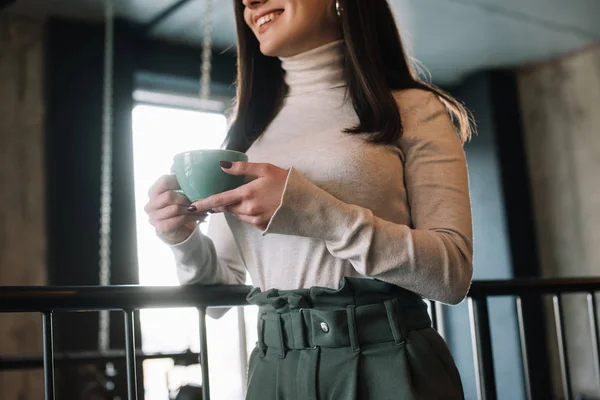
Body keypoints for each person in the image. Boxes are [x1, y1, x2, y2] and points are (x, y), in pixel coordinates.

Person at [145, 0, 474, 398]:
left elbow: (452, 274)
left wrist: (319, 215)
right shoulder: (246, 134)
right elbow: (217, 297)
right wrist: (183, 240)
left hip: (387, 365)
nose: (251, 2)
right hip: (273, 371)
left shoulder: (414, 108)